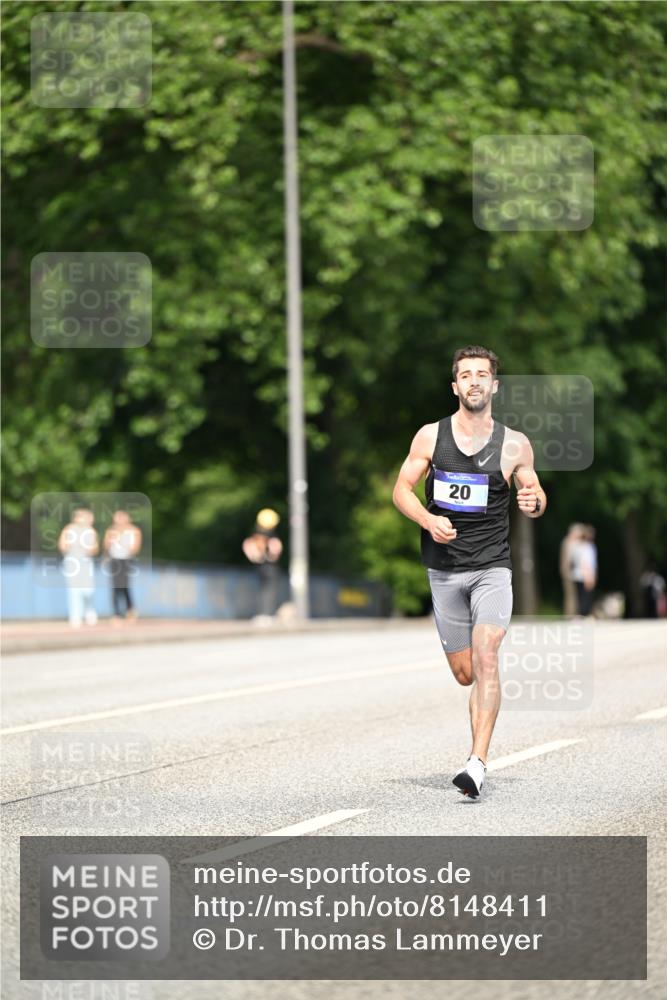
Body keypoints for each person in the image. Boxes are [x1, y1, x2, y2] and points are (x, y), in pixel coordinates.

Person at [392, 345, 547, 799]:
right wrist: (428, 520)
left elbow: (534, 492)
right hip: (443, 570)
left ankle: (476, 763)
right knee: (465, 674)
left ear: (494, 385)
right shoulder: (430, 437)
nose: (474, 381)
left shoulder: (515, 443)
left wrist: (534, 502)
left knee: (487, 654)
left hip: (491, 569)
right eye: (466, 375)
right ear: (455, 386)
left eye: (483, 374)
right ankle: (476, 744)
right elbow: (402, 490)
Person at [58, 508, 99, 628]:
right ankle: (75, 616)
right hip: (71, 562)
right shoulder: (68, 529)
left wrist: (89, 549)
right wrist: (68, 546)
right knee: (73, 590)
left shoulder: (91, 531)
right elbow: (62, 546)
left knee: (88, 590)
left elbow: (95, 549)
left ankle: (89, 611)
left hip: (86, 562)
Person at [242, 509, 283, 621]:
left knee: (263, 590)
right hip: (270, 567)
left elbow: (250, 550)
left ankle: (264, 613)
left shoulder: (254, 537)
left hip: (260, 566)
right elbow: (275, 552)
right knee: (269, 590)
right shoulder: (272, 538)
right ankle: (268, 614)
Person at [103, 510, 142, 621]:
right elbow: (106, 546)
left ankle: (130, 609)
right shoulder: (111, 531)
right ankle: (117, 613)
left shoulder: (134, 530)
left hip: (127, 560)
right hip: (114, 560)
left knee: (125, 585)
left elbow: (135, 548)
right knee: (115, 586)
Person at [571, 524, 597, 617]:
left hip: (578, 575)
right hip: (585, 575)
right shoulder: (587, 547)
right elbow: (586, 563)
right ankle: (583, 614)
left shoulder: (578, 546)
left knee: (580, 596)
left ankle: (581, 614)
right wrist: (588, 577)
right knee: (585, 597)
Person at [559, 523, 584, 617]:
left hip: (574, 571)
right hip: (568, 571)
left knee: (575, 594)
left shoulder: (572, 542)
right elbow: (568, 559)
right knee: (570, 594)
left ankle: (574, 613)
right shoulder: (568, 542)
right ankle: (570, 614)